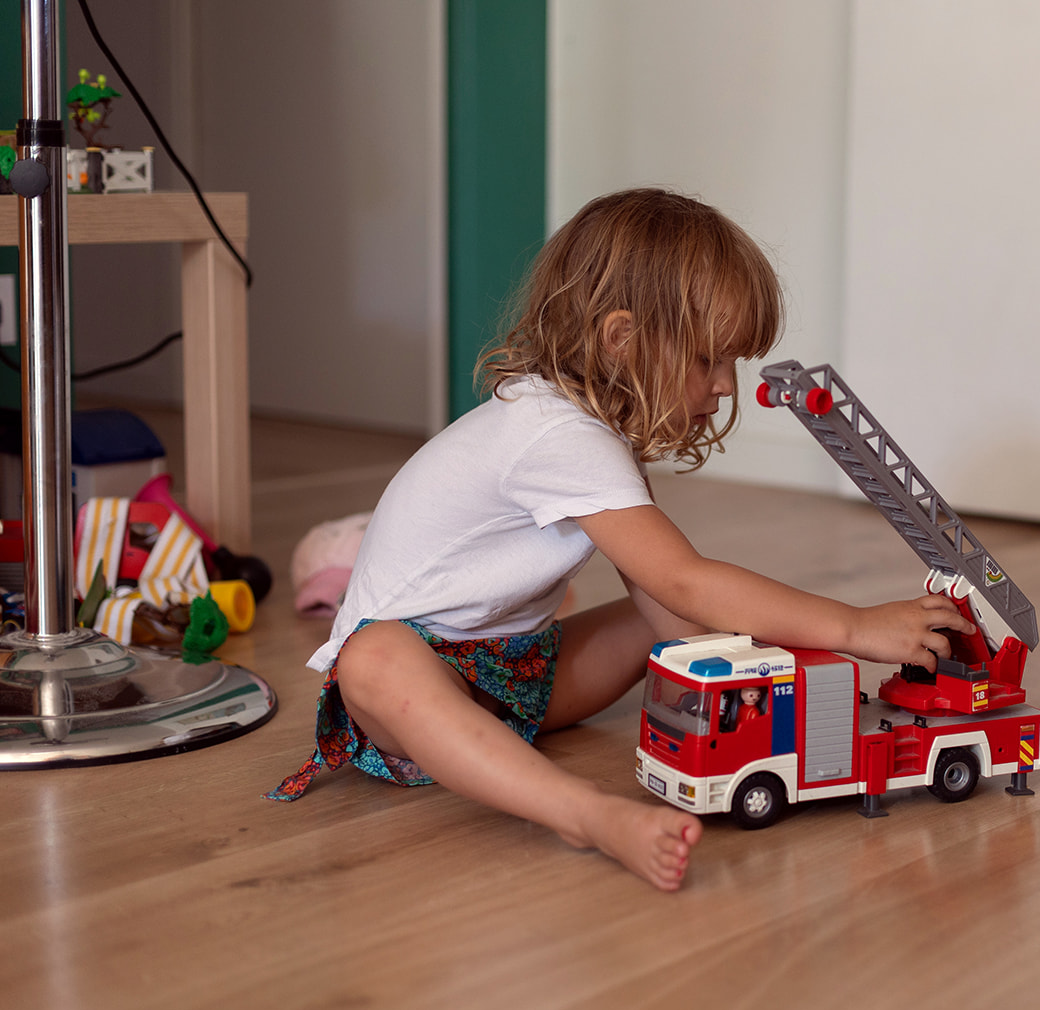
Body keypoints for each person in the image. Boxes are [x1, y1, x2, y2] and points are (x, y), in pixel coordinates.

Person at [265, 188, 973, 891]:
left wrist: (783, 692)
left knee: (671, 619)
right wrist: (854, 626)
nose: (726, 387)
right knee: (372, 657)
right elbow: (686, 580)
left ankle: (521, 740)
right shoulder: (556, 433)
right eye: (709, 360)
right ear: (621, 340)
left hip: (509, 676)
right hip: (415, 685)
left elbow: (668, 607)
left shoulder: (597, 436)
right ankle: (582, 813)